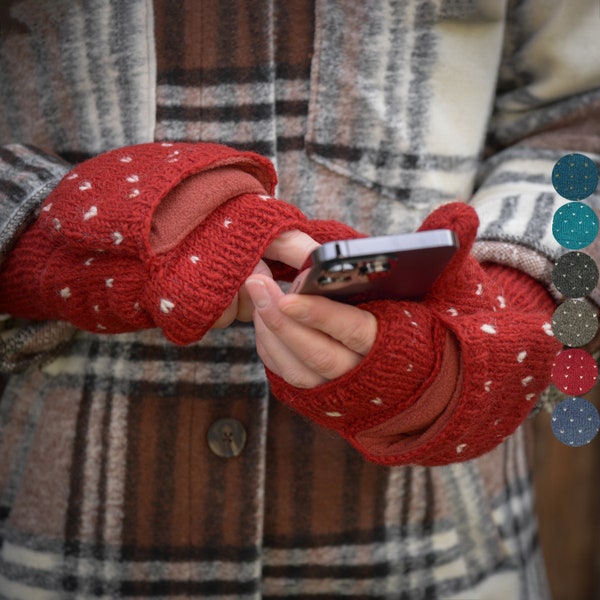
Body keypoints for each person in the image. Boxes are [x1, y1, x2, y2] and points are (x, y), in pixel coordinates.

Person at [0, 1, 598, 598]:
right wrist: (48, 236)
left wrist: (513, 301)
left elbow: (581, 122)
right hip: (53, 544)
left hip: (435, 555)